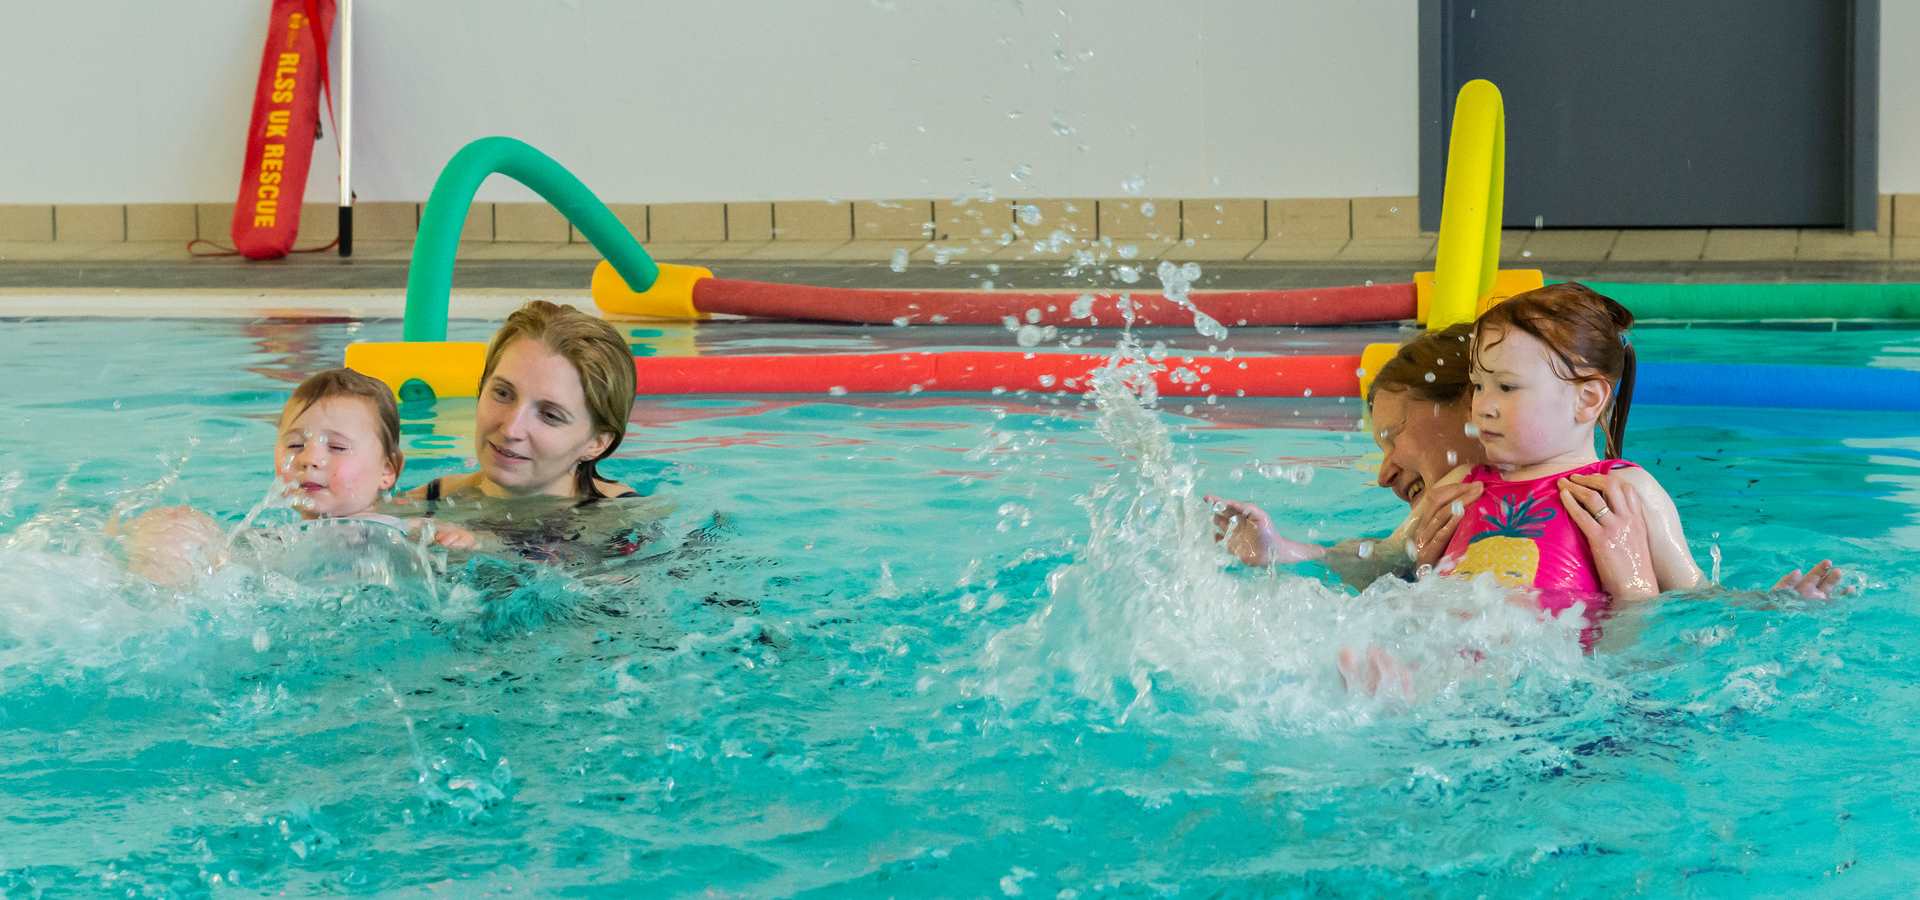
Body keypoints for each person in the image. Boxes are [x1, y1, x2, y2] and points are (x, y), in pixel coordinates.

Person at [1209, 314, 1845, 602]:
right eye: (1486, 388)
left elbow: (1696, 596)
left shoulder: (1624, 491)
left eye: (1393, 435)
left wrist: (1774, 603)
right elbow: (1377, 560)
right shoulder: (1459, 489)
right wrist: (1280, 551)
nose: (1382, 470)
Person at [120, 368, 472, 587]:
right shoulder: (277, 537)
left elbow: (433, 544)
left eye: (336, 447)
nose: (309, 459)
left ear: (388, 470)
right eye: (294, 444)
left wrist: (453, 540)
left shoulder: (388, 528)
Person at [403, 300, 659, 561]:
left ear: (596, 443)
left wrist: (494, 547)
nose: (511, 429)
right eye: (502, 393)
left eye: (549, 415)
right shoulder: (429, 502)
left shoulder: (626, 523)